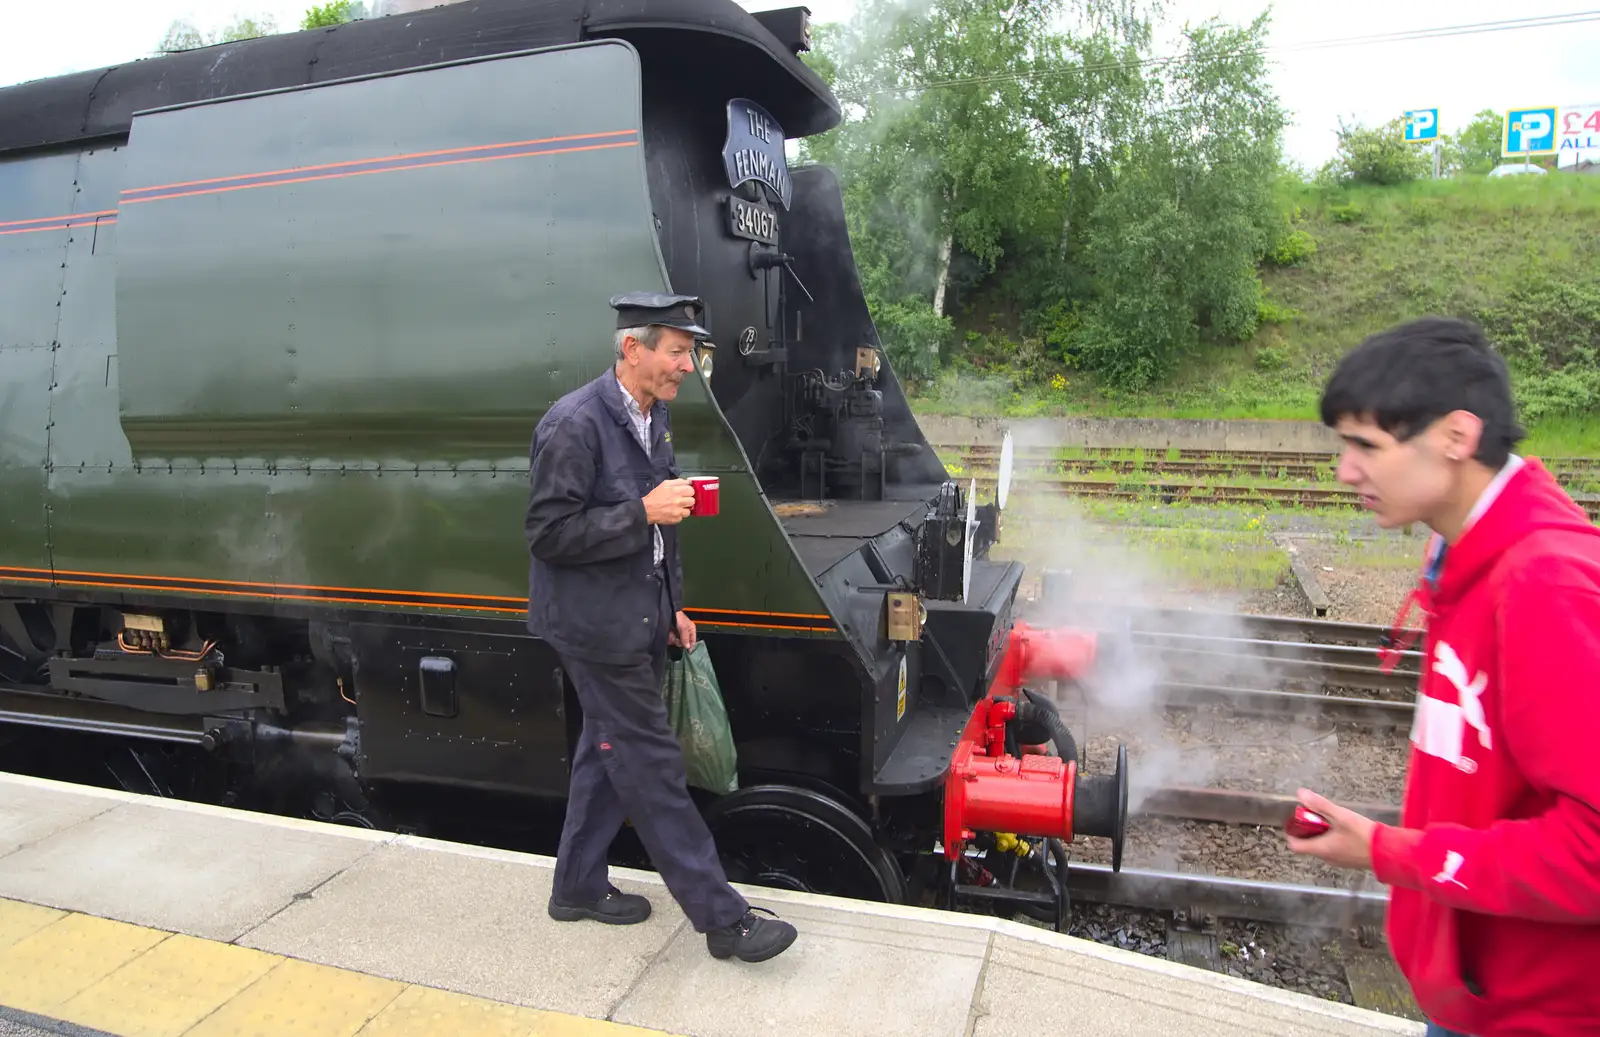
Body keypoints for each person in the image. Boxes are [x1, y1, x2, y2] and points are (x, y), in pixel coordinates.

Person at [1287, 317, 1600, 1036]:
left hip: (1536, 1014)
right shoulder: (1466, 555)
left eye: (1367, 444)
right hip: (1480, 995)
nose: (1345, 470)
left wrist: (1391, 851)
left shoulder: (1544, 582)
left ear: (1457, 436)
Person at [523, 291, 797, 963]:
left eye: (690, 352)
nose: (687, 365)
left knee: (603, 754)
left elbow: (661, 532)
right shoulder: (575, 424)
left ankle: (577, 886)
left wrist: (672, 602)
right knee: (650, 765)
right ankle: (723, 921)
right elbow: (548, 533)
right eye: (677, 351)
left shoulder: (655, 416)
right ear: (632, 349)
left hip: (640, 616)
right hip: (597, 628)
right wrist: (641, 510)